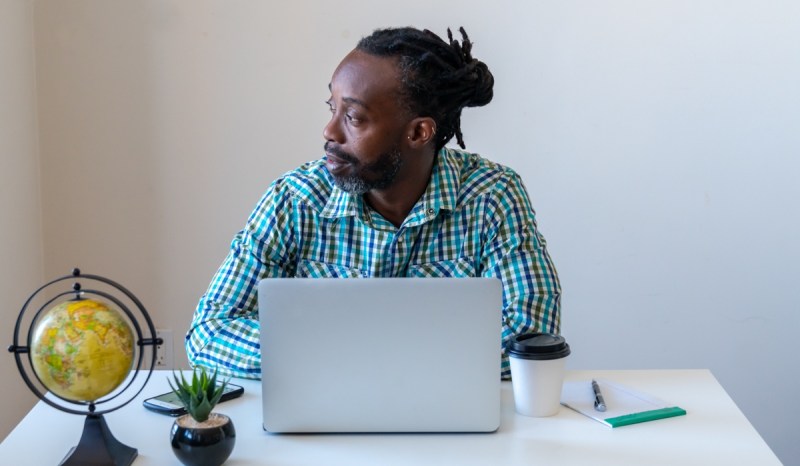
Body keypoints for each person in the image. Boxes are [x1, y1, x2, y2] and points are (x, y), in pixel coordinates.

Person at [186, 26, 561, 380]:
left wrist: (351, 360)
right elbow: (210, 331)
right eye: (331, 107)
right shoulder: (294, 200)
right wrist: (372, 362)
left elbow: (532, 333)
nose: (329, 132)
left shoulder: (491, 196)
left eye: (352, 116)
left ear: (418, 132)